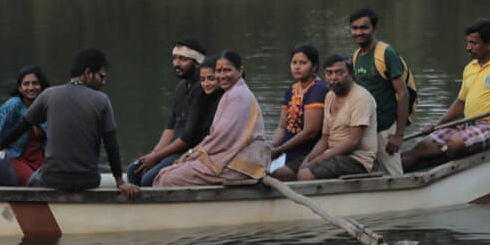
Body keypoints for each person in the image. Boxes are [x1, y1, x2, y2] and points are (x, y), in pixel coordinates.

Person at [0, 48, 139, 199]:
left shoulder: (48, 95)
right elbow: (111, 145)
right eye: (101, 77)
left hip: (52, 179)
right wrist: (120, 181)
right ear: (88, 73)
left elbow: (22, 127)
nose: (102, 82)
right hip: (89, 180)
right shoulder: (102, 100)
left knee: (31, 183)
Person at [401, 19, 490, 171]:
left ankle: (445, 166)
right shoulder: (470, 67)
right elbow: (461, 103)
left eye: (474, 43)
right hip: (468, 124)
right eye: (468, 42)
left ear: (489, 44)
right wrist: (437, 126)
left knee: (456, 143)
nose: (468, 48)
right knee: (420, 148)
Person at [155, 51, 268, 186]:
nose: (222, 76)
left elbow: (221, 139)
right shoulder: (230, 93)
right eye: (218, 71)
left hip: (241, 164)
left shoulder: (237, 96)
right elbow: (216, 136)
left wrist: (193, 155)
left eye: (227, 70)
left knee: (167, 178)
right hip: (230, 158)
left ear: (240, 70)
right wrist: (191, 155)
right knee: (168, 171)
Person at [127, 37, 210, 187]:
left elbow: (188, 138)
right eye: (175, 58)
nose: (176, 64)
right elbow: (171, 127)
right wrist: (153, 154)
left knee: (148, 179)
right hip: (173, 150)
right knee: (134, 170)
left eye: (183, 59)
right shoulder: (181, 87)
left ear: (197, 63)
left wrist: (157, 157)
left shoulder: (202, 89)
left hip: (190, 152)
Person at [297, 54, 377, 181]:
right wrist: (308, 160)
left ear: (350, 74)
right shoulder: (330, 96)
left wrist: (316, 161)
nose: (334, 77)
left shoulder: (361, 97)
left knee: (304, 175)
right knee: (284, 172)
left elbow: (353, 142)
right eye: (329, 73)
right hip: (331, 153)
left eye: (339, 73)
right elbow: (325, 138)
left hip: (357, 160)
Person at [349, 8, 409, 176]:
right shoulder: (356, 56)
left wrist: (399, 134)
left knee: (394, 175)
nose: (358, 32)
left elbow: (403, 94)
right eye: (354, 28)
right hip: (366, 130)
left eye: (364, 28)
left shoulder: (386, 54)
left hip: (385, 129)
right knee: (371, 173)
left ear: (374, 29)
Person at [269, 43, 329, 181]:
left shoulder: (318, 89)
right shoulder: (291, 90)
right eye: (294, 62)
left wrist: (279, 150)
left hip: (306, 152)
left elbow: (310, 132)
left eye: (303, 63)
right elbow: (282, 127)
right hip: (285, 150)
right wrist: (272, 147)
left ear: (314, 66)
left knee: (275, 174)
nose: (297, 66)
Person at [0, 65, 51, 185]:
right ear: (19, 88)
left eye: (35, 83)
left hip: (39, 160)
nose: (31, 88)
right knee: (34, 184)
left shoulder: (46, 107)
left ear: (42, 86)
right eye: (26, 84)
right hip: (15, 157)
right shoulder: (12, 106)